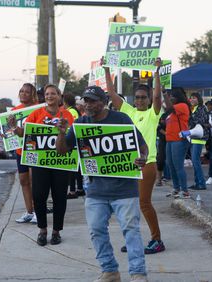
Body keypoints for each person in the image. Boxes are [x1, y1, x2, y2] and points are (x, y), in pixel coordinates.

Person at [56, 86, 150, 282]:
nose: (88, 104)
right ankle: (110, 271)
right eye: (86, 100)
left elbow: (142, 146)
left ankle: (138, 273)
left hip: (125, 189)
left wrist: (142, 157)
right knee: (96, 230)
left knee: (131, 231)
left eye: (92, 101)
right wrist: (61, 133)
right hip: (96, 190)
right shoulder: (80, 123)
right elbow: (62, 151)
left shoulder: (122, 119)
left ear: (104, 101)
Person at [104, 57, 165, 255]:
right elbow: (112, 94)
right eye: (137, 97)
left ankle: (157, 240)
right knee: (128, 204)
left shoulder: (152, 114)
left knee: (144, 203)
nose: (139, 100)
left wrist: (156, 73)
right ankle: (133, 240)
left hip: (147, 164)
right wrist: (107, 70)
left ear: (148, 100)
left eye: (143, 97)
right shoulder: (128, 112)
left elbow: (158, 98)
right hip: (128, 165)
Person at [13, 84, 74, 245]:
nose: (49, 96)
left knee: (59, 197)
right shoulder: (36, 114)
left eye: (53, 93)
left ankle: (56, 232)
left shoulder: (67, 115)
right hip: (40, 163)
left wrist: (64, 130)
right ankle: (42, 230)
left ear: (59, 96)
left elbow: (74, 137)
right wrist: (14, 128)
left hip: (61, 163)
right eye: (47, 94)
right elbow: (25, 133)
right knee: (39, 196)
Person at [7, 83, 39, 224]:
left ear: (32, 94)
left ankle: (38, 212)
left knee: (35, 181)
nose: (23, 93)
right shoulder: (14, 110)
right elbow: (10, 131)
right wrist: (7, 135)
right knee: (24, 181)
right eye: (21, 91)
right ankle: (29, 212)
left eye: (26, 91)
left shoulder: (39, 109)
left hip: (34, 150)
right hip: (20, 151)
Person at [163, 88, 191, 199]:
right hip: (170, 140)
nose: (170, 98)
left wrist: (164, 94)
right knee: (171, 165)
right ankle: (176, 188)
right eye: (169, 96)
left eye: (172, 96)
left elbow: (169, 107)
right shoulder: (173, 109)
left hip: (179, 140)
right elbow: (167, 109)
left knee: (178, 166)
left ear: (177, 97)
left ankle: (185, 191)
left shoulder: (182, 106)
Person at [63, 92, 84, 199]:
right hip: (78, 141)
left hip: (73, 142)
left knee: (72, 168)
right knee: (78, 168)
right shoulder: (75, 110)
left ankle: (72, 191)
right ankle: (79, 188)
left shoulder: (70, 111)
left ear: (65, 102)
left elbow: (71, 126)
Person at [187, 92, 209, 190]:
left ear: (198, 99)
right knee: (194, 160)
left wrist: (190, 119)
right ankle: (197, 182)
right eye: (191, 98)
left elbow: (202, 120)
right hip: (192, 136)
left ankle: (201, 183)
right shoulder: (192, 109)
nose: (192, 100)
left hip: (199, 137)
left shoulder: (202, 108)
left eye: (194, 98)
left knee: (196, 160)